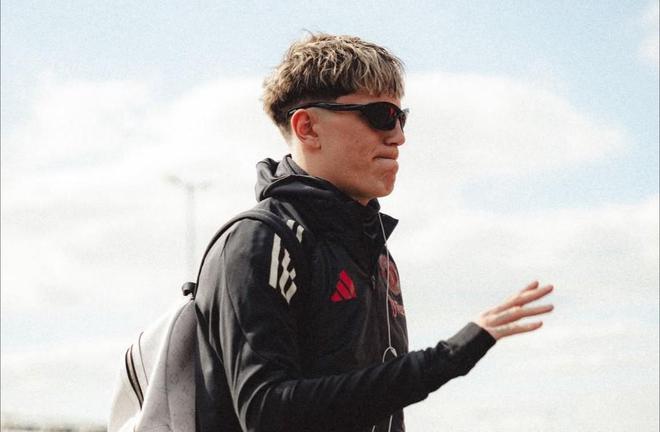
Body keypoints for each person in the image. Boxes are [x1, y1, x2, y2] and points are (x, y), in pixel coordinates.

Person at [193, 33, 554, 432]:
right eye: (381, 115)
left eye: (402, 118)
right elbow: (267, 413)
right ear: (308, 128)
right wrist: (447, 359)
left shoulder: (373, 249)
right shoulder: (259, 240)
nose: (398, 136)